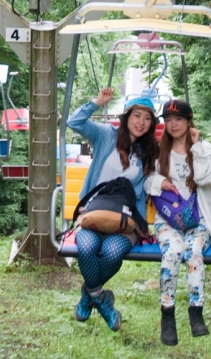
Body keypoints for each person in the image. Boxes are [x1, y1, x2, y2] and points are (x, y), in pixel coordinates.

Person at [67, 87, 159, 331]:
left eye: (148, 118)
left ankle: (89, 296)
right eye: (137, 115)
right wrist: (97, 102)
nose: (142, 122)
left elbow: (166, 175)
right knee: (86, 247)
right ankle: (102, 299)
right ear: (127, 116)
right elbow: (73, 121)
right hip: (93, 212)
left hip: (127, 220)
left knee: (112, 252)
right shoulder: (106, 135)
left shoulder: (150, 152)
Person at [144, 99, 211, 346]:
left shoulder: (206, 149)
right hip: (169, 221)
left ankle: (196, 313)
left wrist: (196, 145)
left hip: (199, 221)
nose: (173, 124)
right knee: (172, 252)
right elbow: (147, 182)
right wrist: (160, 183)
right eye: (168, 120)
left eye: (178, 119)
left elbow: (202, 178)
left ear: (189, 121)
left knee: (193, 251)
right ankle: (167, 317)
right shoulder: (160, 153)